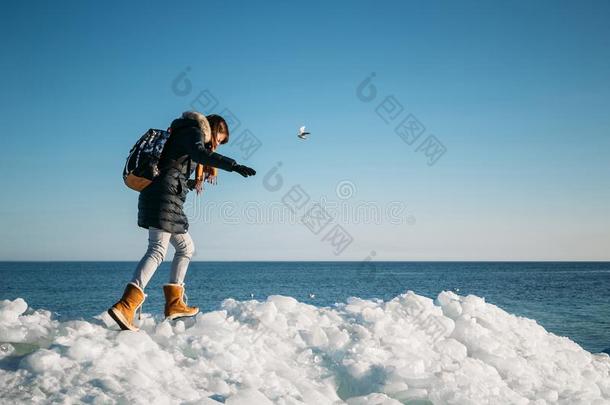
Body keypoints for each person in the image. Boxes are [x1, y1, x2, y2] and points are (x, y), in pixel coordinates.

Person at [108, 111, 256, 331]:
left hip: (166, 199)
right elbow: (199, 154)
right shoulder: (192, 131)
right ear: (212, 131)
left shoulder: (182, 132)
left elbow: (173, 170)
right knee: (157, 250)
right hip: (163, 199)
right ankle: (127, 305)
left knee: (186, 248)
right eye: (218, 140)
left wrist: (186, 183)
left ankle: (174, 303)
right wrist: (233, 165)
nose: (216, 145)